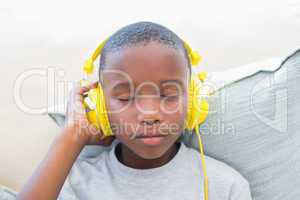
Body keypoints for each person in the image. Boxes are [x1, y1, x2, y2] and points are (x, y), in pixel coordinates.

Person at [17, 21, 252, 200]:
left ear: (193, 102)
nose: (149, 115)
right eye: (125, 97)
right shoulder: (73, 182)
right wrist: (71, 137)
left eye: (168, 95)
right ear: (100, 107)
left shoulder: (227, 186)